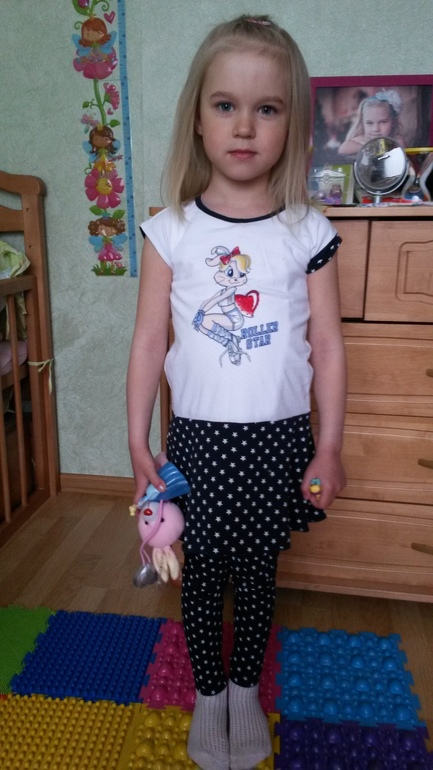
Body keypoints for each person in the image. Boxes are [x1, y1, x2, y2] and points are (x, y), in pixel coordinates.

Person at [127, 14, 346, 770]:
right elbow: (148, 343)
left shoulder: (307, 231)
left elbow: (327, 346)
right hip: (198, 440)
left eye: (267, 108)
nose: (244, 126)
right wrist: (136, 443)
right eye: (225, 105)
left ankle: (245, 690)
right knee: (198, 578)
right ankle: (211, 693)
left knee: (256, 575)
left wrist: (328, 446)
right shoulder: (172, 231)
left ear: (293, 124)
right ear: (198, 117)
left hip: (278, 439)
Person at [338, 90, 405, 156]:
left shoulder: (396, 140)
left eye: (383, 122)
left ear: (393, 122)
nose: (376, 129)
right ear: (362, 124)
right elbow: (342, 149)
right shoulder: (362, 139)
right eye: (369, 123)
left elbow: (403, 156)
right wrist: (369, 147)